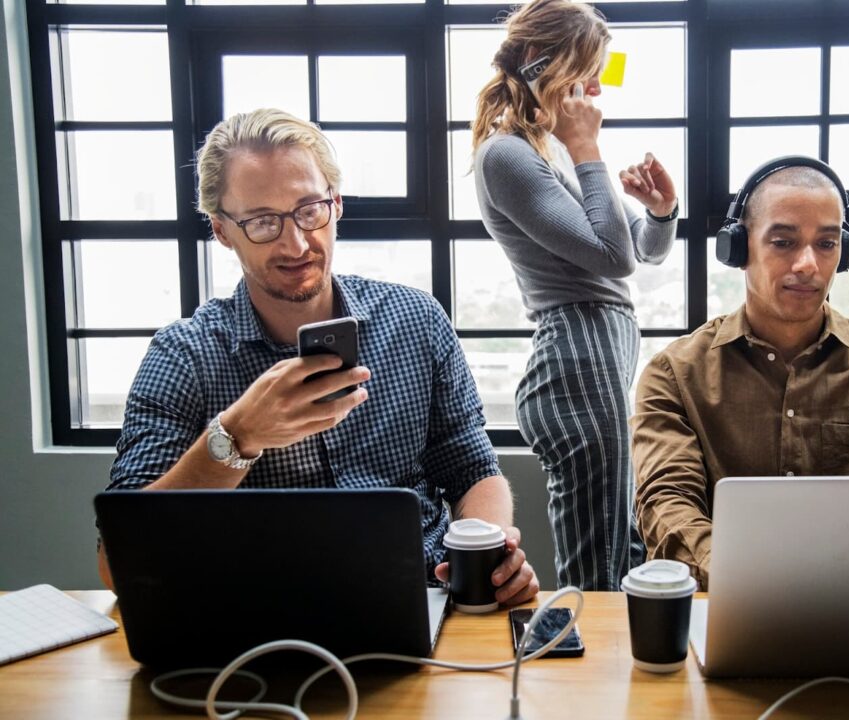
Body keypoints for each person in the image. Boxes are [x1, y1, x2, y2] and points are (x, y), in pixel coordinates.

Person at [98, 108, 539, 608]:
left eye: (310, 210)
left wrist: (486, 553)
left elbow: (473, 469)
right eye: (263, 222)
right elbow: (119, 562)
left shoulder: (416, 320)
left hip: (422, 595)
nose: (297, 243)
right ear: (222, 231)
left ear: (336, 204)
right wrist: (236, 438)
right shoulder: (185, 354)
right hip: (253, 616)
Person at [631, 156, 849, 588]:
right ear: (738, 247)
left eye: (826, 244)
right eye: (784, 242)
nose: (808, 264)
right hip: (729, 602)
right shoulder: (673, 374)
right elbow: (667, 504)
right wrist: (749, 578)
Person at [471, 0, 679, 591]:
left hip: (599, 355)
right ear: (540, 61)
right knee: (598, 570)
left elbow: (640, 253)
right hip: (577, 356)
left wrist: (661, 211)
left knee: (621, 551)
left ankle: (618, 681)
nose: (593, 91)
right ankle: (580, 680)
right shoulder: (507, 153)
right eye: (586, 72)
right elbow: (614, 259)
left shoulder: (550, 149)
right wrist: (590, 152)